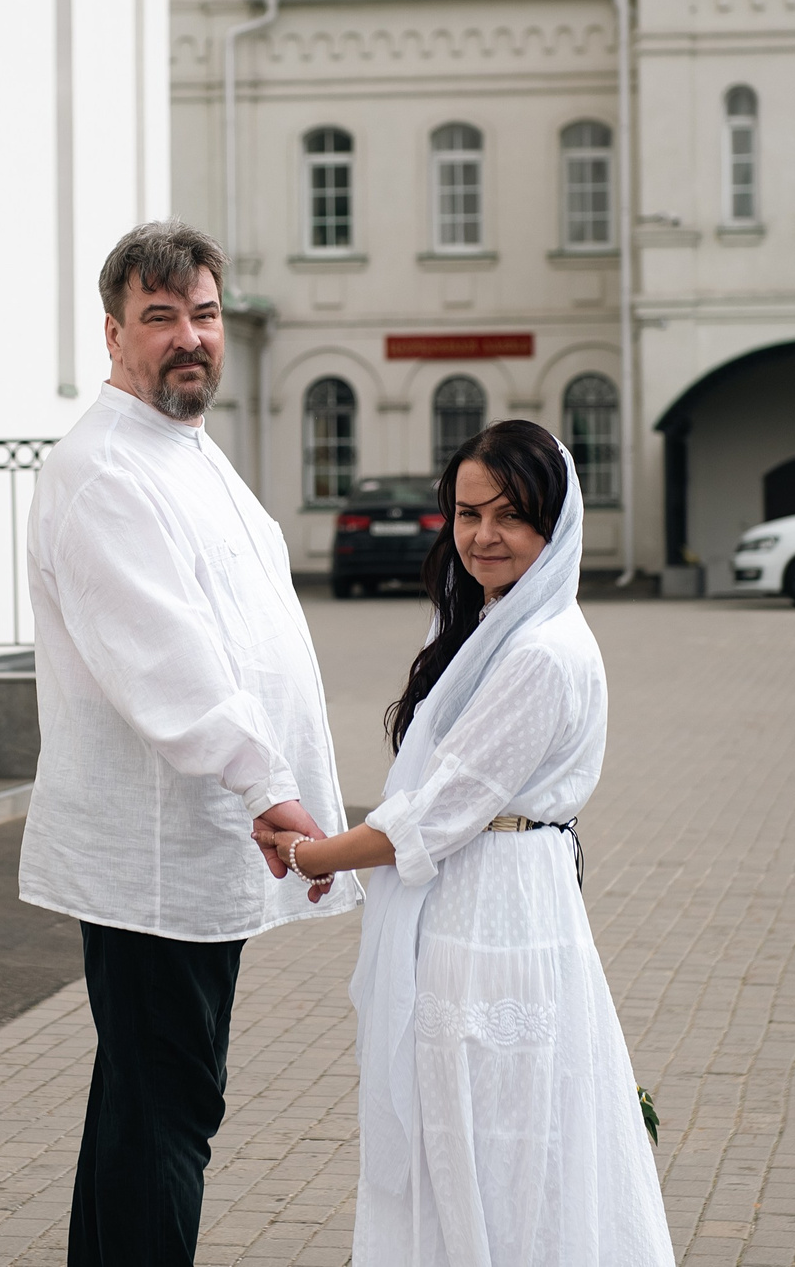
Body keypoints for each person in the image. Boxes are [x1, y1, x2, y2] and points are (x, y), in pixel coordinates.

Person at [20, 220, 358, 1267]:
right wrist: (267, 781)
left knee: (142, 1098)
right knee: (168, 1107)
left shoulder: (188, 454)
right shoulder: (103, 470)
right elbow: (167, 664)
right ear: (112, 333)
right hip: (157, 847)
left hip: (197, 837)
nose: (188, 337)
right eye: (159, 317)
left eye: (203, 315)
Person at [258, 420, 674, 1266]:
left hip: (495, 913)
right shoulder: (486, 629)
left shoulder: (542, 654)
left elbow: (432, 815)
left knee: (500, 1139)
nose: (483, 535)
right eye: (467, 512)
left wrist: (308, 854)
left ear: (555, 524)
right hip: (475, 897)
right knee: (469, 1137)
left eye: (510, 515)